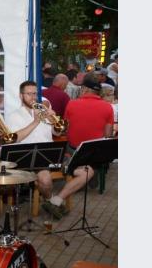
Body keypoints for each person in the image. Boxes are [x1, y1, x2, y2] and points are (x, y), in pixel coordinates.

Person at [4, 81, 81, 214]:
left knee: (85, 170)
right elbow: (16, 138)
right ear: (21, 96)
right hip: (26, 159)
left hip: (49, 156)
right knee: (45, 179)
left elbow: (57, 132)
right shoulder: (13, 116)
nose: (33, 97)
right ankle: (51, 200)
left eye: (35, 93)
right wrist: (35, 122)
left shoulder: (43, 112)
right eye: (29, 94)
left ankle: (53, 201)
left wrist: (53, 118)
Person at [45, 74, 114, 218]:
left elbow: (66, 127)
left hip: (72, 150)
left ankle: (61, 192)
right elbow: (107, 135)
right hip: (93, 152)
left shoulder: (72, 103)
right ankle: (86, 180)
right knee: (91, 166)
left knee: (81, 161)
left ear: (83, 89)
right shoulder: (108, 107)